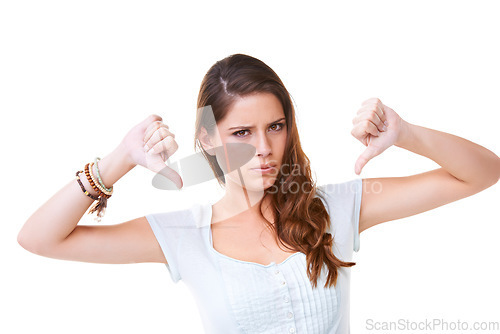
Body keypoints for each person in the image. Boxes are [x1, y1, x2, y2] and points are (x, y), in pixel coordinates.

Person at [17, 53, 500, 334]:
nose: (265, 149)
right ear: (207, 139)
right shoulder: (184, 235)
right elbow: (39, 239)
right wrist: (117, 160)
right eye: (242, 133)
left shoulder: (332, 210)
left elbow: (480, 174)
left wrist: (407, 133)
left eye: (275, 126)